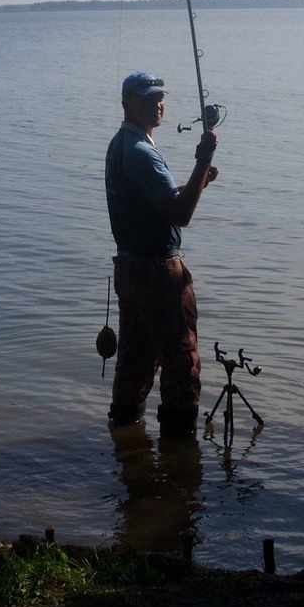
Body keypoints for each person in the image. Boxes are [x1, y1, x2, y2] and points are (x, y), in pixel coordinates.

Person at [105, 71, 218, 436]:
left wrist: (198, 181)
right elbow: (179, 214)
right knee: (182, 363)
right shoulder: (142, 153)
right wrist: (202, 161)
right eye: (146, 98)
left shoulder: (120, 145)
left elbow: (155, 203)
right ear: (127, 104)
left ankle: (124, 435)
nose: (157, 103)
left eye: (160, 97)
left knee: (135, 360)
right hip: (158, 271)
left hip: (130, 269)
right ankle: (180, 451)